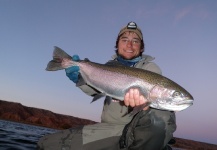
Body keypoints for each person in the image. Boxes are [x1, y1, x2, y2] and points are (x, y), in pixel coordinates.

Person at [37, 21, 176, 150]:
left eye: (135, 41)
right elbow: (95, 90)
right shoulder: (108, 66)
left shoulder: (151, 69)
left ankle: (154, 144)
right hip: (110, 129)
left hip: (137, 130)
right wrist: (79, 78)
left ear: (141, 47)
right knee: (45, 145)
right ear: (118, 44)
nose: (130, 45)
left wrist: (144, 105)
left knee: (161, 111)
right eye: (125, 40)